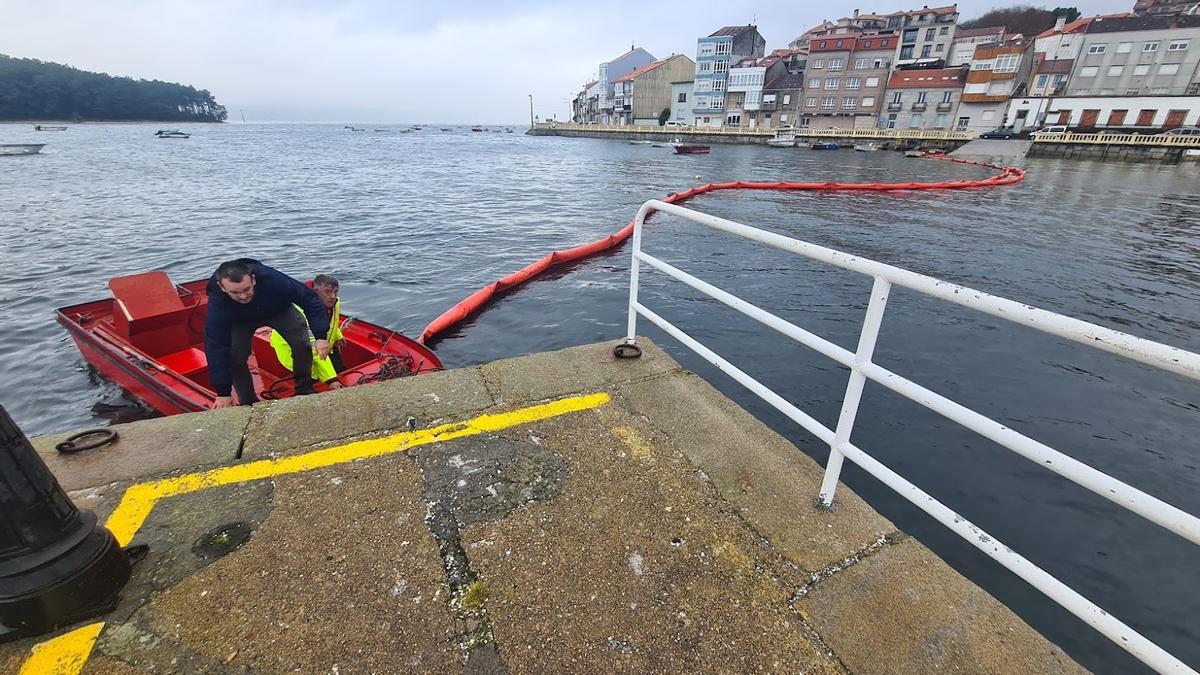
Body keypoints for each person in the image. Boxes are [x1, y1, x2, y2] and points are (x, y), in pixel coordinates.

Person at [203, 259, 330, 409]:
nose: (243, 296)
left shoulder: (272, 278)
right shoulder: (218, 300)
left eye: (246, 289)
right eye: (235, 292)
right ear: (222, 287)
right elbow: (215, 343)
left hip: (277, 310)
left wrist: (321, 336)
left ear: (253, 279)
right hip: (240, 320)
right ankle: (249, 403)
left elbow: (309, 299)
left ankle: (304, 388)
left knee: (302, 343)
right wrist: (223, 392)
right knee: (235, 356)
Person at [269, 274, 345, 389]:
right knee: (311, 375)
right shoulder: (301, 313)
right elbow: (313, 349)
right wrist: (331, 380)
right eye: (328, 292)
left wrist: (338, 335)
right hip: (292, 347)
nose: (333, 296)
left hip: (321, 342)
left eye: (336, 292)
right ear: (315, 291)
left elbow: (332, 320)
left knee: (338, 367)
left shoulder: (333, 302)